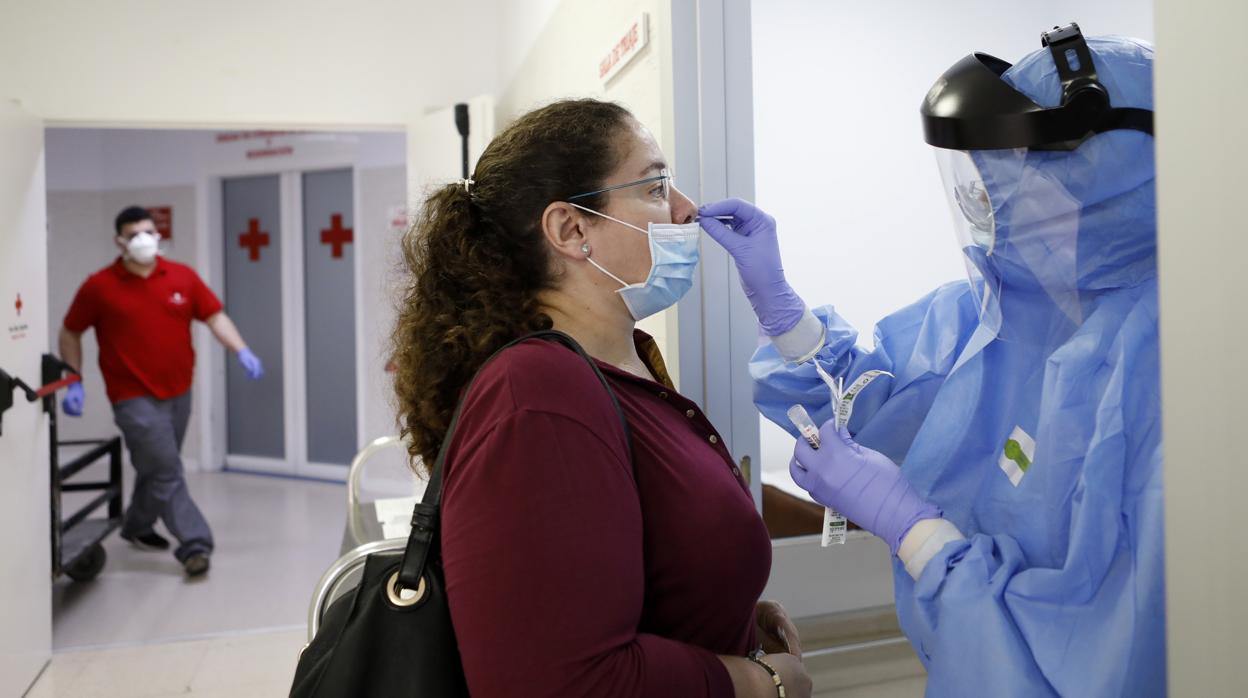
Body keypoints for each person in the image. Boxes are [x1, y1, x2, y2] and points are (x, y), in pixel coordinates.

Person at [699, 26, 1162, 697]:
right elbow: (877, 399)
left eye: (1017, 175)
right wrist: (787, 320)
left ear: (1106, 186)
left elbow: (1098, 654)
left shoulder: (1168, 376)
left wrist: (915, 532)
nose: (990, 202)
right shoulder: (1000, 307)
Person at [391, 99, 812, 698]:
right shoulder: (538, 396)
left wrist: (730, 608)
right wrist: (759, 682)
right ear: (571, 230)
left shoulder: (618, 367)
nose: (687, 208)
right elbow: (558, 682)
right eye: (656, 185)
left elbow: (619, 567)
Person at [59, 205, 265, 577]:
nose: (143, 239)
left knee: (155, 466)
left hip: (178, 392)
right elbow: (70, 329)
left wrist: (241, 349)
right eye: (134, 233)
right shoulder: (100, 286)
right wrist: (74, 378)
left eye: (148, 232)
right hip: (131, 397)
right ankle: (195, 544)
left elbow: (214, 315)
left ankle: (137, 525)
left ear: (158, 235)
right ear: (119, 240)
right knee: (168, 469)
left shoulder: (182, 277)